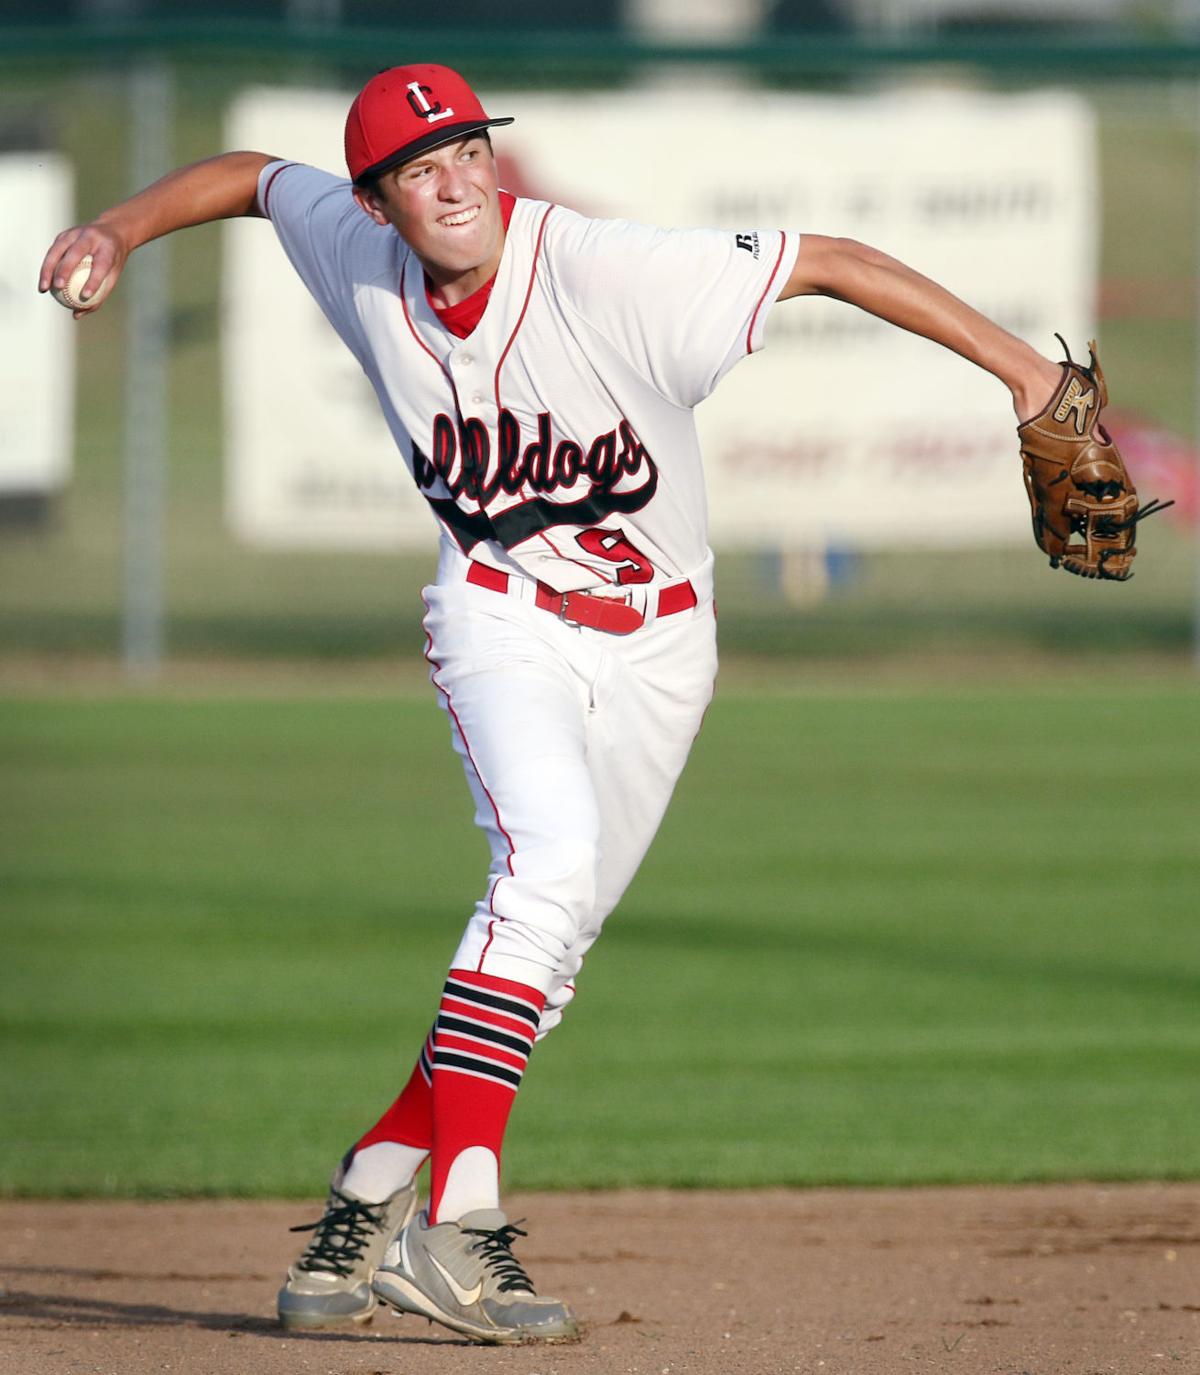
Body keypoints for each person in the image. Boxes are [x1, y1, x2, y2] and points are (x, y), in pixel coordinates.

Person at [40, 62, 1062, 1347]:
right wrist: (118, 226)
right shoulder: (355, 258)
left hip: (665, 644)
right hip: (501, 615)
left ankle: (369, 1184)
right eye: (420, 169)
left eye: (469, 150)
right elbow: (251, 178)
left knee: (547, 943)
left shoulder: (602, 270)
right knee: (545, 876)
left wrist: (1027, 376)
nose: (454, 182)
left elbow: (832, 261)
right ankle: (459, 1227)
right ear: (376, 204)